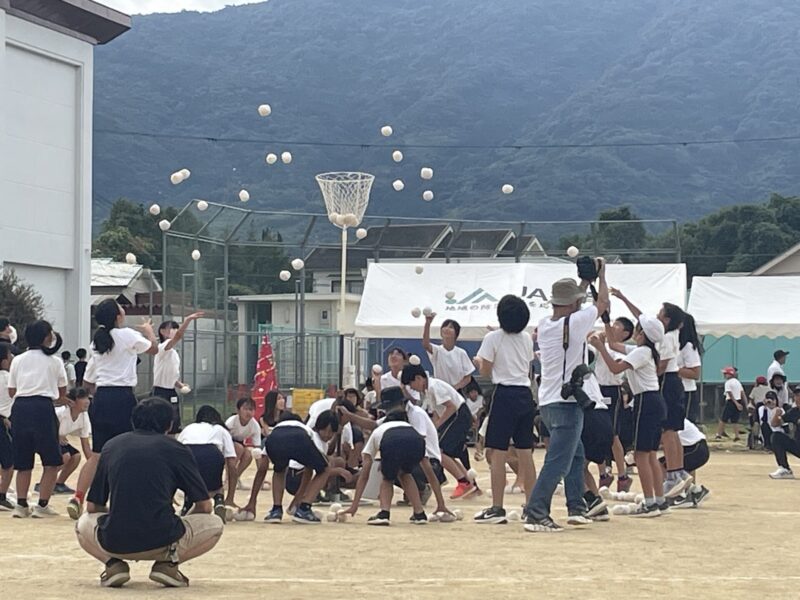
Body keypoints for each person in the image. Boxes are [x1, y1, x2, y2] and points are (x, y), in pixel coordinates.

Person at [75, 398, 224, 588]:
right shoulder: (177, 449)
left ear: (133, 421)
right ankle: (168, 564)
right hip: (163, 539)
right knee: (215, 524)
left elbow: (93, 506)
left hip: (115, 542)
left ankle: (113, 565)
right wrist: (180, 524)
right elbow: (204, 505)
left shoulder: (111, 446)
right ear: (169, 425)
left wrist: (112, 522)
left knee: (82, 524)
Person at [521, 261, 610, 532]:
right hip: (568, 403)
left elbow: (574, 309)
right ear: (573, 302)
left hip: (548, 399)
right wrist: (601, 275)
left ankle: (576, 506)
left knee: (574, 455)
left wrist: (583, 281)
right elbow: (602, 303)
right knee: (558, 461)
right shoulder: (577, 320)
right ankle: (536, 511)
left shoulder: (545, 323)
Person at [69, 299, 158, 520]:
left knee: (98, 455)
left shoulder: (97, 341)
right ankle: (125, 501)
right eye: (120, 308)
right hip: (122, 398)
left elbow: (89, 382)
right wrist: (149, 332)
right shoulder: (126, 334)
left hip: (102, 398)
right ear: (117, 316)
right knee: (127, 451)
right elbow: (154, 350)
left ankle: (79, 496)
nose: (123, 310)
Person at [612, 290, 690, 498]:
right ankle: (662, 491)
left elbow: (618, 367)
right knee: (654, 448)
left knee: (653, 445)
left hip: (655, 392)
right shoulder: (655, 340)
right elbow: (641, 319)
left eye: (659, 313)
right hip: (656, 392)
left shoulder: (655, 344)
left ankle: (663, 486)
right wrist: (623, 297)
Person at [591, 315, 668, 517]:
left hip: (645, 402)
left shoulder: (641, 352)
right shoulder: (645, 351)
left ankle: (649, 503)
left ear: (642, 333)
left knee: (641, 455)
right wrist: (607, 322)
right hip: (654, 401)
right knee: (650, 454)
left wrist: (600, 349)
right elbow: (615, 345)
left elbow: (615, 367)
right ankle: (659, 500)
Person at [472, 294, 539, 525]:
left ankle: (497, 508)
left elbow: (485, 372)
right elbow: (525, 363)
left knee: (497, 452)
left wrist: (478, 361)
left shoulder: (492, 338)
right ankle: (531, 507)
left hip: (504, 394)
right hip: (525, 394)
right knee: (525, 453)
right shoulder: (527, 338)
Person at [8, 320, 68, 519]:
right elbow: (61, 393)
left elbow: (12, 391)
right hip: (43, 408)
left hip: (20, 408)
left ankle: (21, 504)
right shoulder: (55, 361)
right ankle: (42, 505)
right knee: (51, 460)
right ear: (46, 337)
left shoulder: (18, 359)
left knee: (23, 461)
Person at [401, 363, 478, 499]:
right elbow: (437, 411)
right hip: (456, 416)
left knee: (439, 450)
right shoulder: (428, 391)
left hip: (459, 415)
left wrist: (437, 425)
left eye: (411, 384)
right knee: (445, 451)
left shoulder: (434, 386)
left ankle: (464, 482)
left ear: (419, 378)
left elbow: (451, 407)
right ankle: (469, 482)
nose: (412, 387)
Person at [342, 411, 433, 525]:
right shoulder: (409, 428)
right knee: (405, 473)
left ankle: (384, 513)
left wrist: (354, 505)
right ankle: (419, 514)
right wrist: (441, 504)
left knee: (387, 478)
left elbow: (365, 474)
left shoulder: (378, 431)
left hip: (392, 441)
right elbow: (429, 470)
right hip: (417, 441)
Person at [255, 410, 344, 523]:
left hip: (273, 440)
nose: (327, 435)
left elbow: (262, 468)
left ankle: (276, 511)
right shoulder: (308, 432)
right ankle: (304, 510)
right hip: (299, 439)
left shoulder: (278, 429)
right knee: (325, 469)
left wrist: (252, 501)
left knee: (279, 470)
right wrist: (301, 502)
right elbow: (309, 471)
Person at [595, 316, 634, 492]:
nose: (612, 327)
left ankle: (623, 475)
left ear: (625, 334)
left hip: (612, 391)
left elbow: (615, 367)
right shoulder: (603, 343)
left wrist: (601, 347)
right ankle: (603, 472)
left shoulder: (621, 351)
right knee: (597, 433)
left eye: (617, 326)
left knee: (612, 434)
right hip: (598, 389)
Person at [178, 405, 237, 520]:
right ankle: (219, 500)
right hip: (212, 452)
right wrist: (230, 495)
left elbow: (178, 448)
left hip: (188, 453)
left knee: (190, 480)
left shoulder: (189, 427)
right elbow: (231, 463)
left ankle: (188, 503)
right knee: (216, 483)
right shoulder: (220, 429)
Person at [152, 313, 204, 435]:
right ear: (163, 331)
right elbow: (179, 336)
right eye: (172, 328)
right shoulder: (163, 347)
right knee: (160, 423)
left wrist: (179, 384)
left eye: (176, 328)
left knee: (174, 423)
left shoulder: (173, 353)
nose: (176, 331)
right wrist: (187, 320)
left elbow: (170, 374)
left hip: (171, 391)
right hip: (160, 392)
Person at [661, 419, 711, 508]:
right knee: (683, 466)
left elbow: (664, 442)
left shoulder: (666, 420)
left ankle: (677, 495)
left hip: (697, 449)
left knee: (661, 465)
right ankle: (694, 491)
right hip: (698, 448)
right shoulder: (672, 416)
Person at [52, 387, 93, 494]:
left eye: (87, 398)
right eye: (82, 398)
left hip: (58, 441)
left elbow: (86, 445)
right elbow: (45, 427)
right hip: (46, 438)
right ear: (72, 402)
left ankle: (59, 483)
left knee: (76, 456)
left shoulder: (84, 416)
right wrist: (57, 436)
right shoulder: (60, 412)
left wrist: (93, 464)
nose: (87, 401)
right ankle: (45, 482)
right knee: (65, 456)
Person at [422, 314, 475, 394]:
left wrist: (455, 387)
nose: (446, 329)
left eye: (451, 327)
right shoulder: (437, 350)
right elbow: (426, 344)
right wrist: (428, 323)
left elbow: (468, 377)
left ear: (456, 334)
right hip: (440, 390)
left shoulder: (461, 353)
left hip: (456, 391)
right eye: (445, 326)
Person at [224, 397, 262, 490]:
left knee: (249, 454)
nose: (248, 412)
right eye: (245, 409)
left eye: (251, 409)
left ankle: (234, 478)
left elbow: (258, 452)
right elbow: (223, 439)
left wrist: (261, 478)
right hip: (226, 444)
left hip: (239, 444)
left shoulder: (255, 426)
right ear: (238, 410)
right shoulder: (231, 422)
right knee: (238, 448)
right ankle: (228, 479)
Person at [768, 386, 800, 479]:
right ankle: (785, 469)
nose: (798, 398)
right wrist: (777, 414)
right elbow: (774, 424)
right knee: (776, 436)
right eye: (796, 396)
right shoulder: (794, 411)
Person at [678, 313, 703, 424]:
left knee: (685, 424)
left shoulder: (688, 346)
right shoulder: (674, 345)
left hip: (686, 391)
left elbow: (695, 373)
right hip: (676, 390)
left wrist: (674, 369)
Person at [0, 342, 15, 511]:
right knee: (8, 462)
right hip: (3, 421)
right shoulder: (8, 378)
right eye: (9, 356)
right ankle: (2, 495)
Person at [716, 366, 745, 441]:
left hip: (731, 401)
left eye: (726, 373)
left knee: (723, 418)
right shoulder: (737, 382)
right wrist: (741, 403)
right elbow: (742, 392)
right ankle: (737, 436)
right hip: (738, 400)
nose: (724, 375)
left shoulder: (728, 382)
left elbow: (729, 393)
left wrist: (735, 403)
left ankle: (718, 434)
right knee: (735, 420)